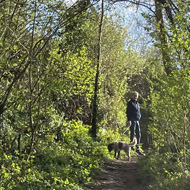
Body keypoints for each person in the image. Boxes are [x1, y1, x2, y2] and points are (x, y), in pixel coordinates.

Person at [126, 91, 143, 155]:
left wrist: (139, 117)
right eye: (135, 95)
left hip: (137, 120)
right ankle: (132, 147)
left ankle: (137, 147)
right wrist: (129, 120)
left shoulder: (137, 103)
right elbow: (128, 112)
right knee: (132, 133)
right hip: (132, 120)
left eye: (137, 95)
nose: (136, 96)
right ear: (132, 96)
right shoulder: (130, 103)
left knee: (139, 134)